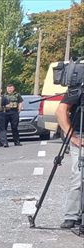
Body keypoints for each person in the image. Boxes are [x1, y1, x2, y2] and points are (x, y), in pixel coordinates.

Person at [57, 86, 82, 231]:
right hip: (81, 136)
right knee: (79, 175)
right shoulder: (79, 87)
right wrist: (72, 136)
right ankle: (72, 215)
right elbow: (61, 111)